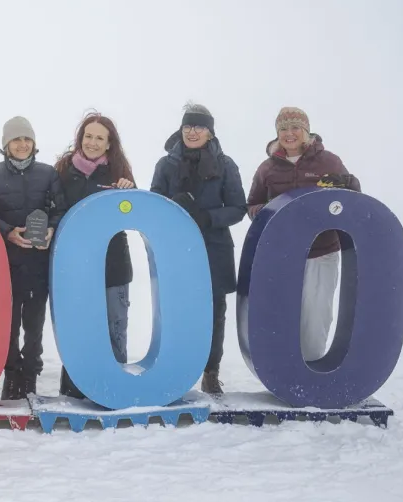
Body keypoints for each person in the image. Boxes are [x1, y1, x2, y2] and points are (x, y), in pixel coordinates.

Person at [246, 107, 360, 362]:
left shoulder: (328, 160)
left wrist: (347, 184)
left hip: (322, 252)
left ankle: (310, 367)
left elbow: (353, 195)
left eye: (295, 127)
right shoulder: (267, 168)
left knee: (317, 313)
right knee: (282, 310)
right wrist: (265, 210)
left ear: (306, 131)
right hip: (283, 252)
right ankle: (283, 368)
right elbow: (251, 205)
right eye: (283, 129)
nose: (289, 134)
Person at [151, 104, 246, 394]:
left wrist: (207, 217)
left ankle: (210, 371)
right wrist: (173, 209)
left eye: (199, 127)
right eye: (188, 127)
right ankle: (176, 368)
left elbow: (238, 208)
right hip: (177, 249)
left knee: (215, 313)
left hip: (214, 247)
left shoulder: (226, 164)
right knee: (177, 309)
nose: (193, 132)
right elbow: (154, 204)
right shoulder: (165, 165)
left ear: (210, 131)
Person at [0, 116, 65, 399]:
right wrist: (8, 232)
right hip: (5, 264)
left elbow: (60, 210)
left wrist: (51, 229)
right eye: (16, 139)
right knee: (9, 325)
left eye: (27, 139)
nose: (22, 144)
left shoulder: (48, 174)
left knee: (34, 323)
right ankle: (11, 376)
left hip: (39, 263)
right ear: (6, 144)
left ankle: (30, 376)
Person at [53, 112, 136, 401]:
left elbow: (133, 212)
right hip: (76, 265)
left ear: (109, 143)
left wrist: (129, 192)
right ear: (80, 137)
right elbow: (54, 210)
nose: (92, 142)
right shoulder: (63, 170)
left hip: (113, 264)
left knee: (114, 325)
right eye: (88, 135)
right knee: (80, 327)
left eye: (99, 137)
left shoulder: (119, 172)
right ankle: (75, 389)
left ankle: (115, 390)